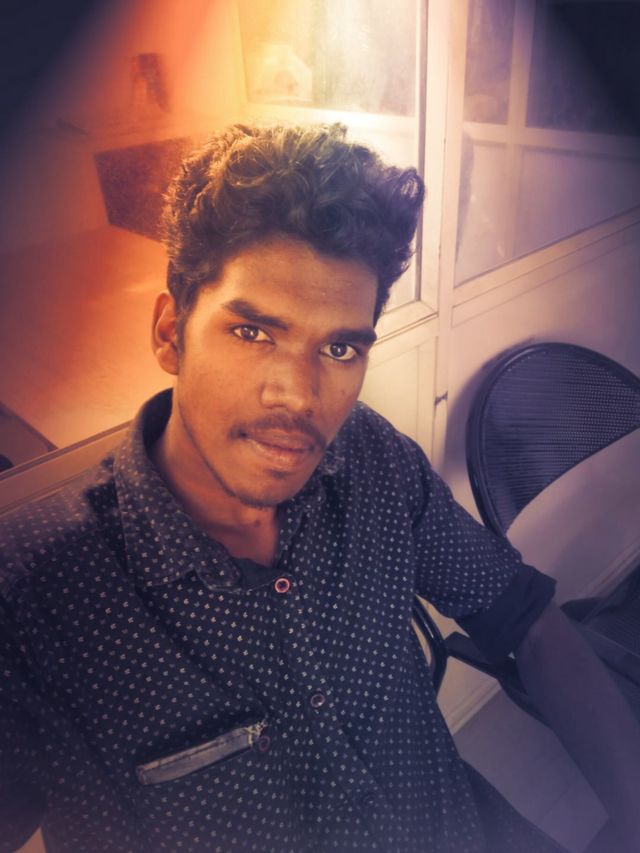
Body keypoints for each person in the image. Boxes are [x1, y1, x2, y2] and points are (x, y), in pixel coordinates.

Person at [1, 123, 639, 853]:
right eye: (253, 333)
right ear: (171, 333)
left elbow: (522, 614)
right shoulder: (33, 597)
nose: (299, 397)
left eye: (338, 348)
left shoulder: (369, 457)